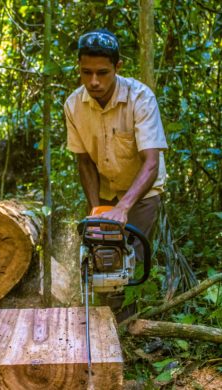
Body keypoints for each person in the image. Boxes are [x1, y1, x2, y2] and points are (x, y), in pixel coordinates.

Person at [64, 29, 168, 320]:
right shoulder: (73, 105)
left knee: (126, 259)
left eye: (102, 73)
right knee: (101, 253)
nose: (94, 81)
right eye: (86, 73)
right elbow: (84, 161)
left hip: (143, 190)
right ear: (79, 68)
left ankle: (125, 328)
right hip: (107, 186)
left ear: (117, 68)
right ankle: (102, 321)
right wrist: (96, 208)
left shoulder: (140, 98)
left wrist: (123, 209)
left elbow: (151, 162)